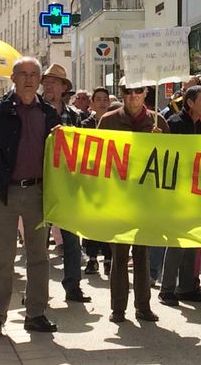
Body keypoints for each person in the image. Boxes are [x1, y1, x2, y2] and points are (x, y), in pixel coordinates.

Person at [0, 57, 59, 338]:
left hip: (38, 193)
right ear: (13, 77)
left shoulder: (48, 113)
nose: (29, 79)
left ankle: (35, 314)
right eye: (23, 74)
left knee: (39, 257)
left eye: (34, 74)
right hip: (4, 194)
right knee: (3, 259)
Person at [97, 76, 168, 323]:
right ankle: (118, 308)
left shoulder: (158, 122)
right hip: (119, 198)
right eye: (128, 91)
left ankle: (143, 306)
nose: (133, 95)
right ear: (122, 93)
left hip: (146, 200)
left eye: (138, 91)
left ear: (146, 93)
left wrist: (161, 142)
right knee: (119, 255)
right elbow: (97, 158)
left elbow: (168, 162)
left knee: (142, 254)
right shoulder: (108, 121)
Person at [41, 63, 90, 303]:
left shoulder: (75, 116)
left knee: (72, 240)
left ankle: (73, 287)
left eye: (53, 82)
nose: (47, 85)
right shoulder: (34, 111)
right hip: (40, 184)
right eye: (46, 82)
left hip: (68, 185)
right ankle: (37, 290)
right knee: (38, 242)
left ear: (63, 88)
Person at [158, 85, 201, 307]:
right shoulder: (176, 124)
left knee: (193, 240)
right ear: (190, 103)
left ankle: (187, 287)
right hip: (179, 191)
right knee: (177, 241)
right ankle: (167, 289)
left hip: (197, 190)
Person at [81, 87, 112, 275]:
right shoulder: (85, 123)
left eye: (104, 99)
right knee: (91, 220)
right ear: (91, 103)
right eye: (98, 99)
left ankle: (109, 258)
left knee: (108, 220)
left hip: (110, 179)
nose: (101, 102)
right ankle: (92, 258)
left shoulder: (115, 122)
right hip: (91, 177)